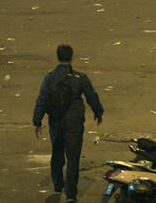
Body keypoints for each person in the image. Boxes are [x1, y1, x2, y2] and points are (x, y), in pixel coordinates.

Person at [33, 44, 104, 203]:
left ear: (57, 57)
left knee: (57, 153)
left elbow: (42, 99)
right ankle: (71, 194)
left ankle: (58, 185)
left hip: (56, 120)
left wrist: (37, 121)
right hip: (74, 121)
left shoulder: (49, 77)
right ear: (72, 57)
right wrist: (98, 112)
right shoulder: (80, 77)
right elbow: (91, 95)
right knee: (73, 157)